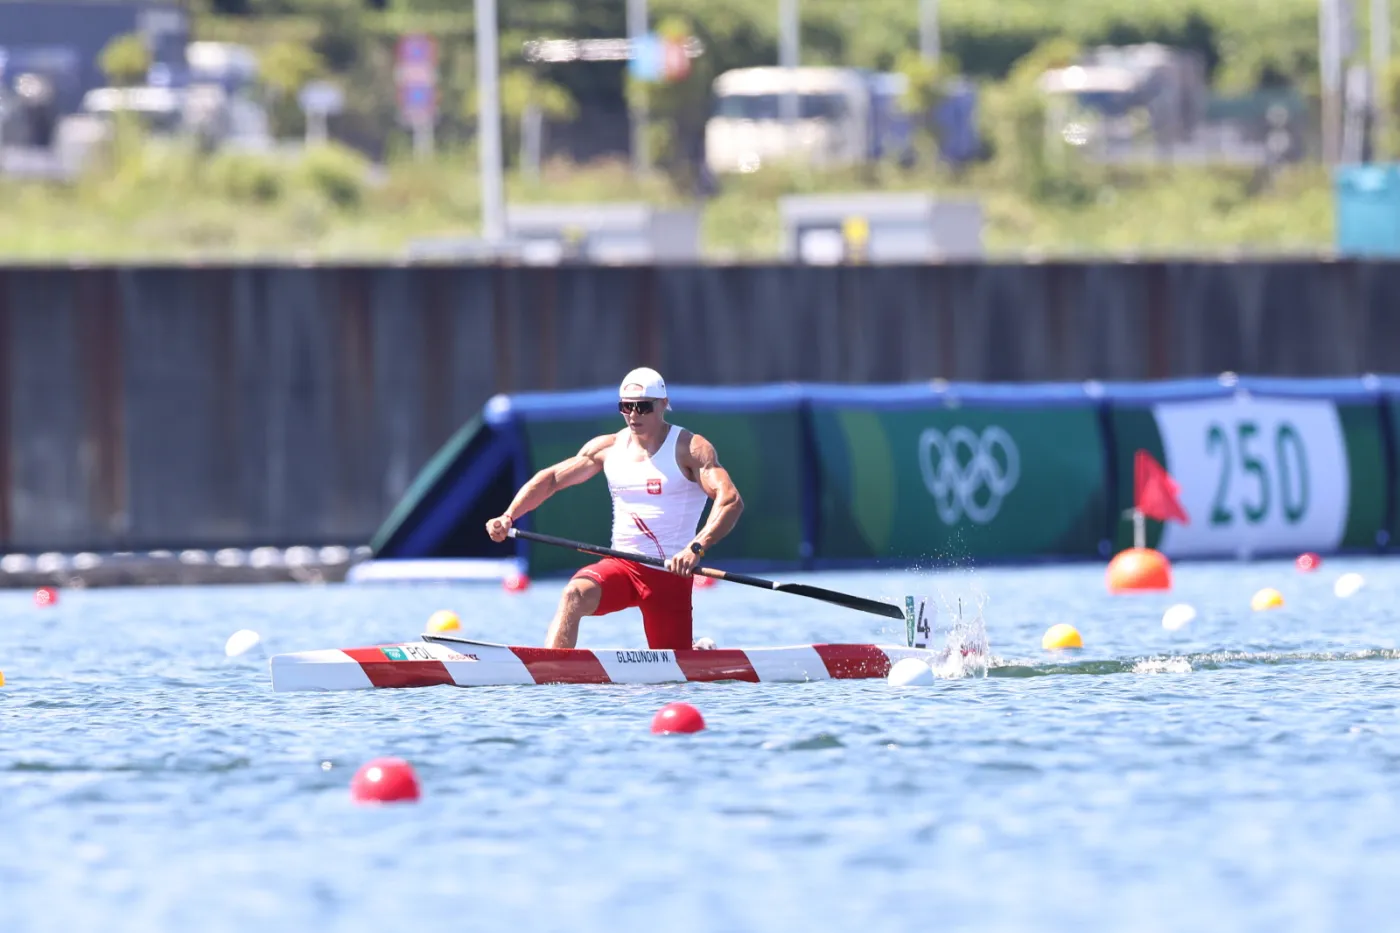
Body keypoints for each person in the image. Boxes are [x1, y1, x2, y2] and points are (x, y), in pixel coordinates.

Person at [485, 367, 744, 651]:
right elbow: (551, 480)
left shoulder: (690, 449)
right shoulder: (608, 447)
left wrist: (696, 548)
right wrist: (509, 516)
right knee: (574, 594)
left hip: (670, 574)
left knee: (673, 673)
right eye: (626, 407)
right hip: (621, 566)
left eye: (643, 407)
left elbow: (730, 500)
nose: (633, 415)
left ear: (662, 405)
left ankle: (698, 651)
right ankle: (551, 670)